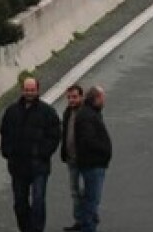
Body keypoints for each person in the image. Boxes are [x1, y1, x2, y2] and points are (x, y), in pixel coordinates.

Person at [0, 77, 61, 232]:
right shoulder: (11, 111)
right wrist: (8, 152)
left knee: (38, 200)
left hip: (39, 165)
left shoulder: (47, 112)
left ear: (37, 90)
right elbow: (4, 132)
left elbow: (54, 135)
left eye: (32, 90)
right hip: (18, 166)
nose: (29, 93)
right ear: (22, 90)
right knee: (20, 203)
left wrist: (43, 153)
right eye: (27, 90)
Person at [74, 87, 112, 232]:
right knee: (92, 199)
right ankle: (88, 227)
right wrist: (104, 150)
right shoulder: (87, 116)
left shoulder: (89, 113)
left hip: (93, 163)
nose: (104, 101)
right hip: (93, 164)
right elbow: (89, 140)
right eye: (103, 98)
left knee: (89, 198)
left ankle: (88, 224)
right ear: (96, 98)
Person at [60, 84, 86, 232]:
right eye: (69, 97)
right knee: (75, 191)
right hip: (71, 159)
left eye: (75, 97)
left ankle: (87, 220)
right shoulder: (67, 113)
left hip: (85, 160)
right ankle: (79, 221)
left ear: (81, 97)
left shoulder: (87, 113)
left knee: (86, 191)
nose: (71, 100)